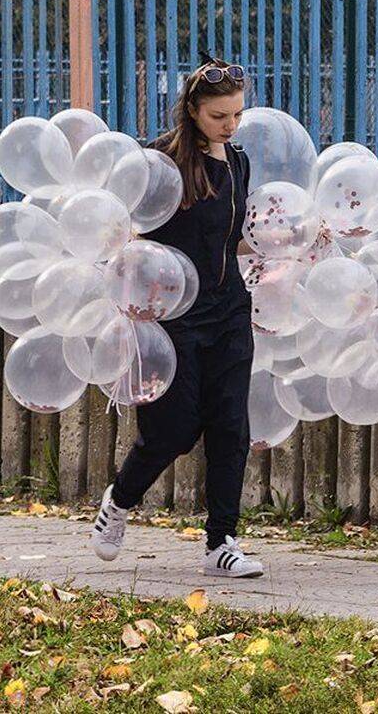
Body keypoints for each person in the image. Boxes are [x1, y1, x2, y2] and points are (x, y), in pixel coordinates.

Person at [89, 58, 264, 578]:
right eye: (218, 116)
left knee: (231, 425)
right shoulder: (159, 161)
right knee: (174, 430)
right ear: (192, 111)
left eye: (236, 114)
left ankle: (222, 544)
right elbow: (126, 232)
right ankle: (119, 502)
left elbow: (233, 240)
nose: (230, 126)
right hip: (172, 314)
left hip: (229, 308)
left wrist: (293, 243)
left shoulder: (238, 161)